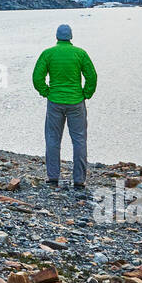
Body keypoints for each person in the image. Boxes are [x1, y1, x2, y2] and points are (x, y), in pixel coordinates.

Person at [32, 23, 96, 191]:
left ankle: (53, 177)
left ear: (57, 37)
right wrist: (86, 94)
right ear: (71, 37)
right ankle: (79, 180)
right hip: (76, 102)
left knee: (53, 139)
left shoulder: (48, 53)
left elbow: (37, 77)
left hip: (55, 102)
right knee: (79, 140)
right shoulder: (80, 54)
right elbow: (92, 76)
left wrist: (46, 92)